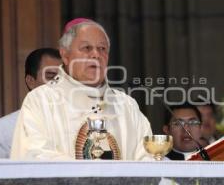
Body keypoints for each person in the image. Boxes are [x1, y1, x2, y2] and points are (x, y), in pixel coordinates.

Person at [10, 18, 152, 160]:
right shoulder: (40, 101)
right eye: (86, 48)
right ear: (65, 55)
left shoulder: (127, 106)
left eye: (102, 49)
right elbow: (34, 155)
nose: (96, 54)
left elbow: (147, 157)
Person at [0, 48, 62, 158]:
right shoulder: (2, 130)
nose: (60, 84)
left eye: (65, 78)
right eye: (51, 77)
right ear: (31, 82)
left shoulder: (80, 125)